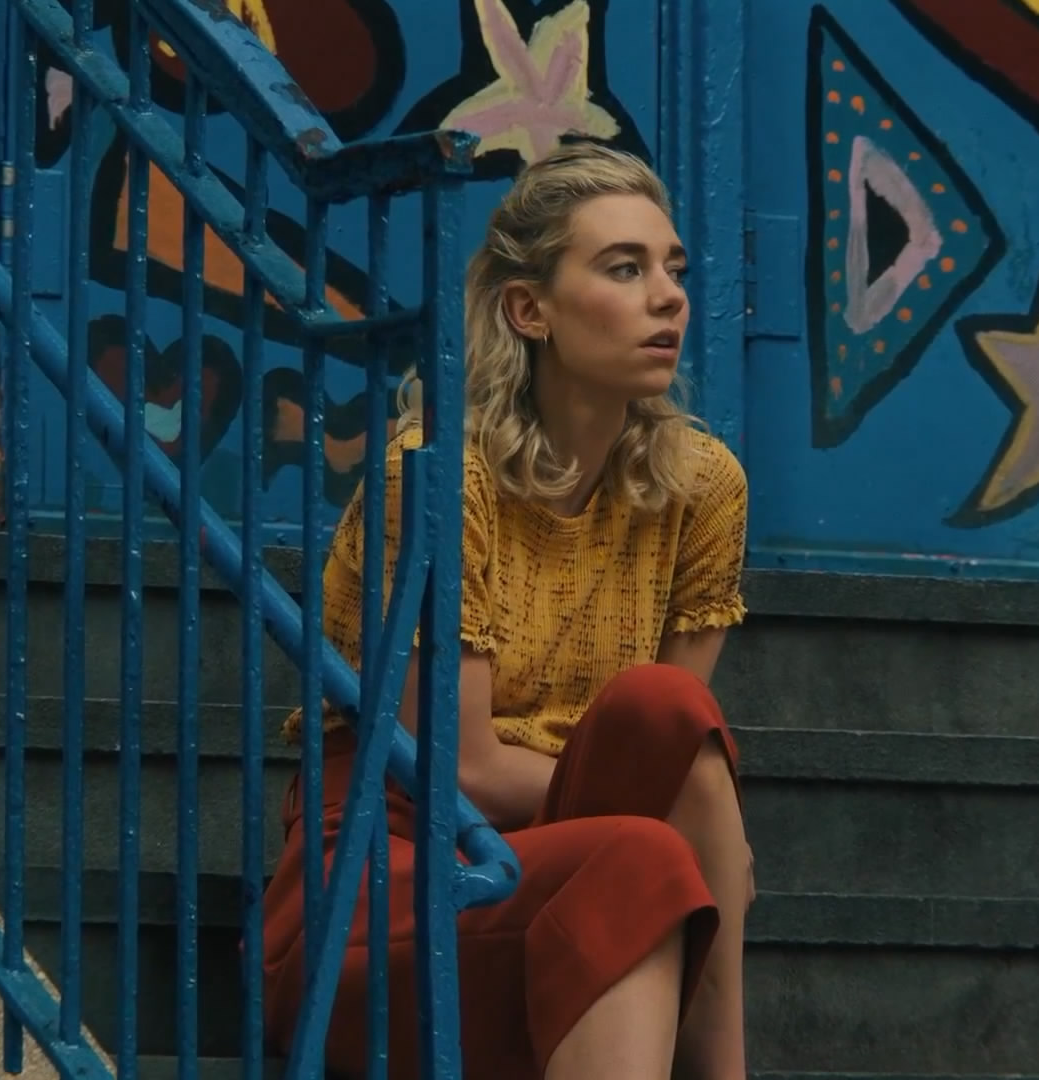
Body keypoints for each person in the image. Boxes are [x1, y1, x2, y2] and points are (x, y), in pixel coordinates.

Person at [260, 141, 754, 1080]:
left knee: (668, 723)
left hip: (594, 875)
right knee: (648, 851)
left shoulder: (702, 486)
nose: (669, 298)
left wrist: (690, 825)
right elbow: (465, 770)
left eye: (674, 270)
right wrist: (698, 839)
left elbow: (671, 747)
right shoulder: (440, 477)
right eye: (625, 269)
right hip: (392, 883)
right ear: (529, 310)